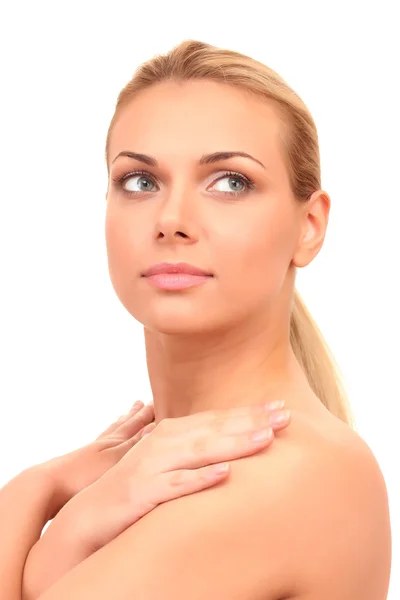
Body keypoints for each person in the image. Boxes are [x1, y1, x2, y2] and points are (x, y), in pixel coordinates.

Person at [3, 39, 392, 599]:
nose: (172, 219)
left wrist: (43, 498)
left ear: (309, 226)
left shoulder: (292, 476)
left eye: (230, 182)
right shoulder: (153, 469)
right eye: (139, 181)